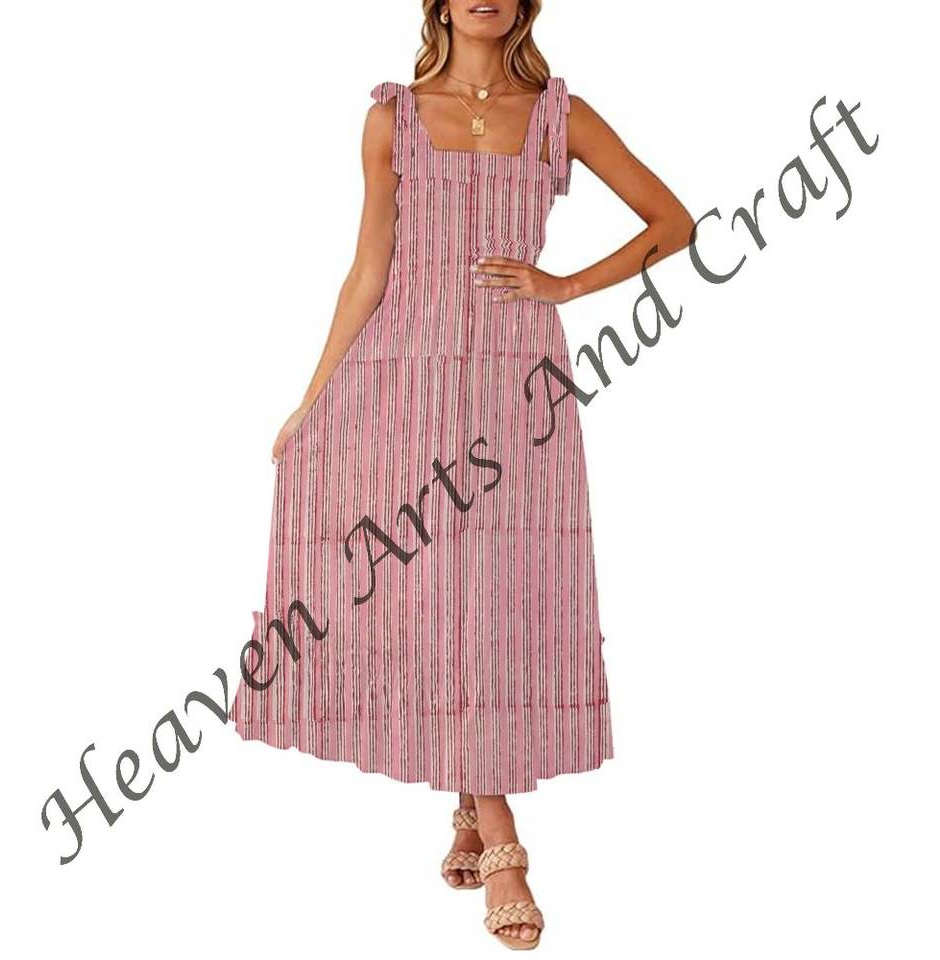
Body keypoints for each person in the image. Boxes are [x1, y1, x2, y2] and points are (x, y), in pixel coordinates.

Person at [228, 0, 693, 949]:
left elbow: (672, 222)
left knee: (497, 593)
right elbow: (368, 270)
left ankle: (476, 806)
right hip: (400, 376)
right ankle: (499, 831)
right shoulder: (390, 118)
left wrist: (563, 285)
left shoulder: (561, 116)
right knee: (431, 590)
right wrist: (312, 399)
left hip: (517, 381)